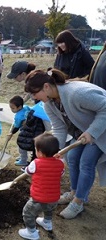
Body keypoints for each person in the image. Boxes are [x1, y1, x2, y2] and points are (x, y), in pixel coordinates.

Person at [24, 68, 106, 219]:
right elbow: (59, 127)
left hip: (101, 130)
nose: (34, 97)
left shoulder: (77, 93)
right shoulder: (49, 103)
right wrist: (58, 150)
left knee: (86, 162)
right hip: (83, 131)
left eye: (35, 93)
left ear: (46, 87)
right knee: (72, 157)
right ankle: (74, 192)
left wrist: (92, 132)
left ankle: (78, 202)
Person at [18, 133, 64, 240]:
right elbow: (61, 173)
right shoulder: (60, 163)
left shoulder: (36, 163)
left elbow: (28, 171)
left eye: (36, 149)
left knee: (28, 213)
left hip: (38, 199)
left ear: (41, 153)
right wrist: (58, 160)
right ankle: (47, 223)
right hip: (54, 198)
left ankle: (31, 232)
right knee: (48, 210)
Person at [7, 95, 31, 166]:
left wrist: (11, 133)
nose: (11, 110)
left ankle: (23, 160)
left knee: (22, 146)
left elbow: (16, 127)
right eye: (10, 108)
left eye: (13, 108)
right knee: (24, 145)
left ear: (19, 107)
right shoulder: (26, 107)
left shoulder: (18, 116)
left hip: (25, 132)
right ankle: (22, 157)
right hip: (31, 130)